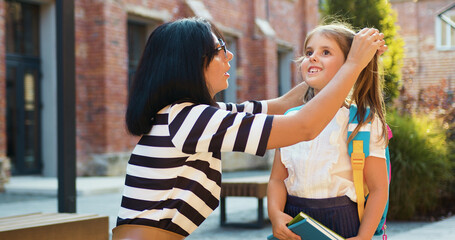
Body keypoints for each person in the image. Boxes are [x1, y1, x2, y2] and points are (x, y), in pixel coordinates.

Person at [112, 17, 385, 240]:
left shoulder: (192, 115)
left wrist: (346, 63)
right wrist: (351, 64)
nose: (230, 54)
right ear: (192, 62)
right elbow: (303, 127)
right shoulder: (191, 120)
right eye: (220, 48)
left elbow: (281, 104)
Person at [267, 23, 389, 240]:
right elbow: (278, 179)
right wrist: (276, 215)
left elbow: (379, 189)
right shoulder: (288, 119)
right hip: (296, 221)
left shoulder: (363, 121)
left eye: (325, 52)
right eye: (308, 52)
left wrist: (364, 237)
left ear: (350, 64)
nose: (313, 57)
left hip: (344, 223)